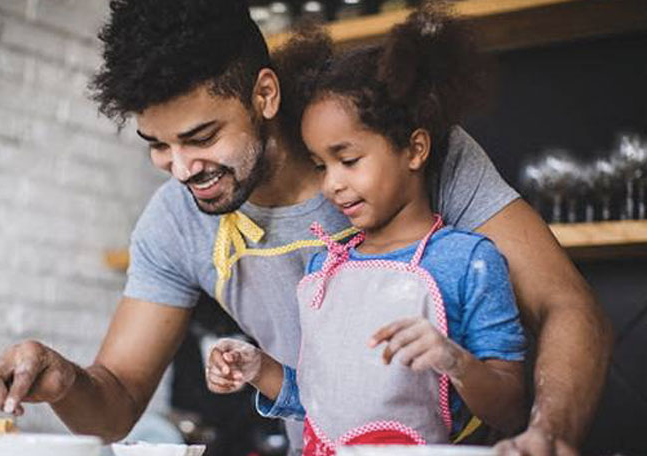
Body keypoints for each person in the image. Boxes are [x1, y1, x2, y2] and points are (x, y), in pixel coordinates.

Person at [0, 1, 612, 454]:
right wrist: (64, 380)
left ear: (263, 94)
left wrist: (549, 434)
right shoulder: (173, 223)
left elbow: (568, 305)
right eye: (157, 146)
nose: (180, 170)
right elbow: (115, 407)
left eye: (201, 137)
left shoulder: (389, 149)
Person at [204, 10, 527, 453]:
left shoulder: (467, 260)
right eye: (321, 165)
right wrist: (258, 367)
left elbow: (510, 408)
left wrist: (455, 361)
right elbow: (320, 401)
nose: (332, 183)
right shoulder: (325, 265)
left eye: (349, 160)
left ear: (415, 149)